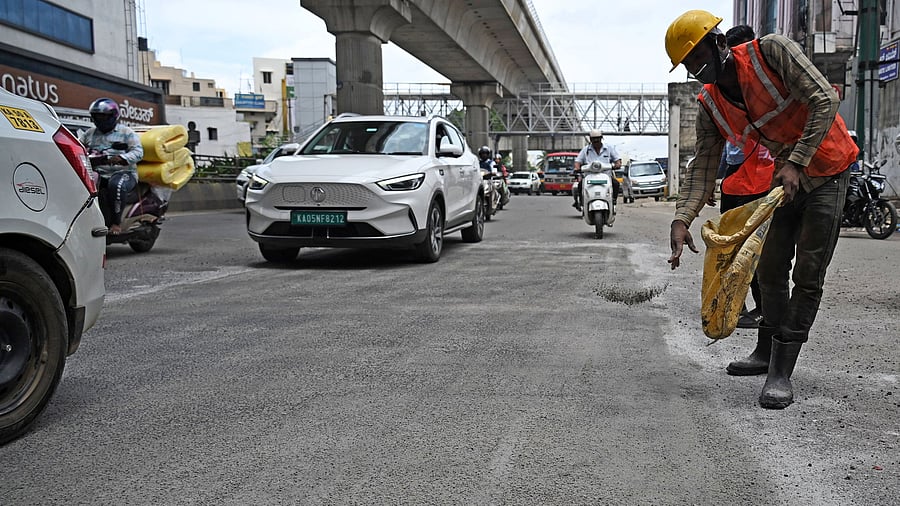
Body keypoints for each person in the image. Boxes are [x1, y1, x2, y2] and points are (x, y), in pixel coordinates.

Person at [665, 10, 858, 409]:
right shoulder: (710, 104)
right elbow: (703, 166)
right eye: (689, 65)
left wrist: (797, 161)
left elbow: (825, 99)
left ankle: (781, 370)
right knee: (768, 269)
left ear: (720, 43)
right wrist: (682, 218)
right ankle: (765, 350)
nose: (698, 70)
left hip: (828, 170)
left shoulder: (772, 51)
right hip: (784, 182)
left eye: (699, 58)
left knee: (808, 274)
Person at [718, 25, 777, 331]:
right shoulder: (721, 92)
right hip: (737, 182)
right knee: (733, 248)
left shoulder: (770, 84)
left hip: (765, 182)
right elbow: (723, 147)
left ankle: (764, 310)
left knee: (762, 253)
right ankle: (736, 305)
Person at [79, 98, 144, 235]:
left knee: (116, 185)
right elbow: (78, 148)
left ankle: (116, 223)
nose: (100, 119)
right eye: (97, 116)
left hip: (123, 173)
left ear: (113, 116)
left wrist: (122, 158)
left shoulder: (126, 132)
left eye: (103, 116)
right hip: (98, 172)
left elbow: (138, 152)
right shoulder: (89, 134)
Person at [573, 130, 622, 211]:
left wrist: (617, 164)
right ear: (590, 139)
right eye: (593, 139)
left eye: (597, 138)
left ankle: (613, 201)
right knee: (580, 185)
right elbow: (578, 161)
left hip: (606, 176)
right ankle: (582, 203)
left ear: (601, 138)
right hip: (589, 176)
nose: (596, 141)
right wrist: (577, 168)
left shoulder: (609, 148)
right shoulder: (585, 150)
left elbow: (617, 160)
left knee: (616, 184)